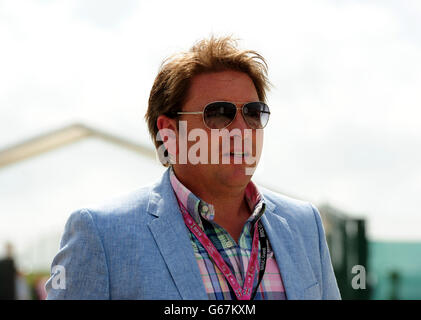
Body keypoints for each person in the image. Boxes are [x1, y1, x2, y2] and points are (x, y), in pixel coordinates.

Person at [45, 36, 341, 300]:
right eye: (219, 114)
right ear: (169, 132)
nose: (241, 129)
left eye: (253, 113)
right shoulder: (102, 235)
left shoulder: (304, 225)